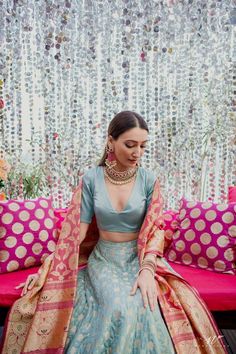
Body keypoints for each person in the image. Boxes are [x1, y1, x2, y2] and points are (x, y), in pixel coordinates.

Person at [1, 111, 227, 354]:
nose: (137, 152)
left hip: (139, 259)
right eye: (130, 145)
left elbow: (156, 230)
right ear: (111, 141)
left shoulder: (149, 180)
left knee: (147, 304)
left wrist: (148, 270)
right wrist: (48, 268)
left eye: (142, 146)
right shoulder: (92, 179)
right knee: (116, 305)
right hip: (105, 259)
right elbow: (76, 234)